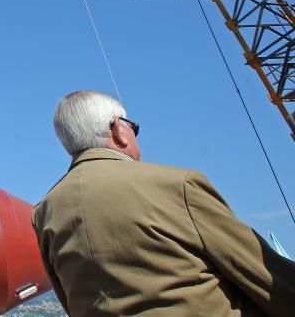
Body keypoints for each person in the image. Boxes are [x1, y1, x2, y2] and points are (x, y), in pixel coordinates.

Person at [33, 89, 295, 316]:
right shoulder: (179, 184)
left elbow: (68, 300)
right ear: (119, 129)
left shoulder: (45, 211)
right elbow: (263, 274)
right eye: (133, 127)